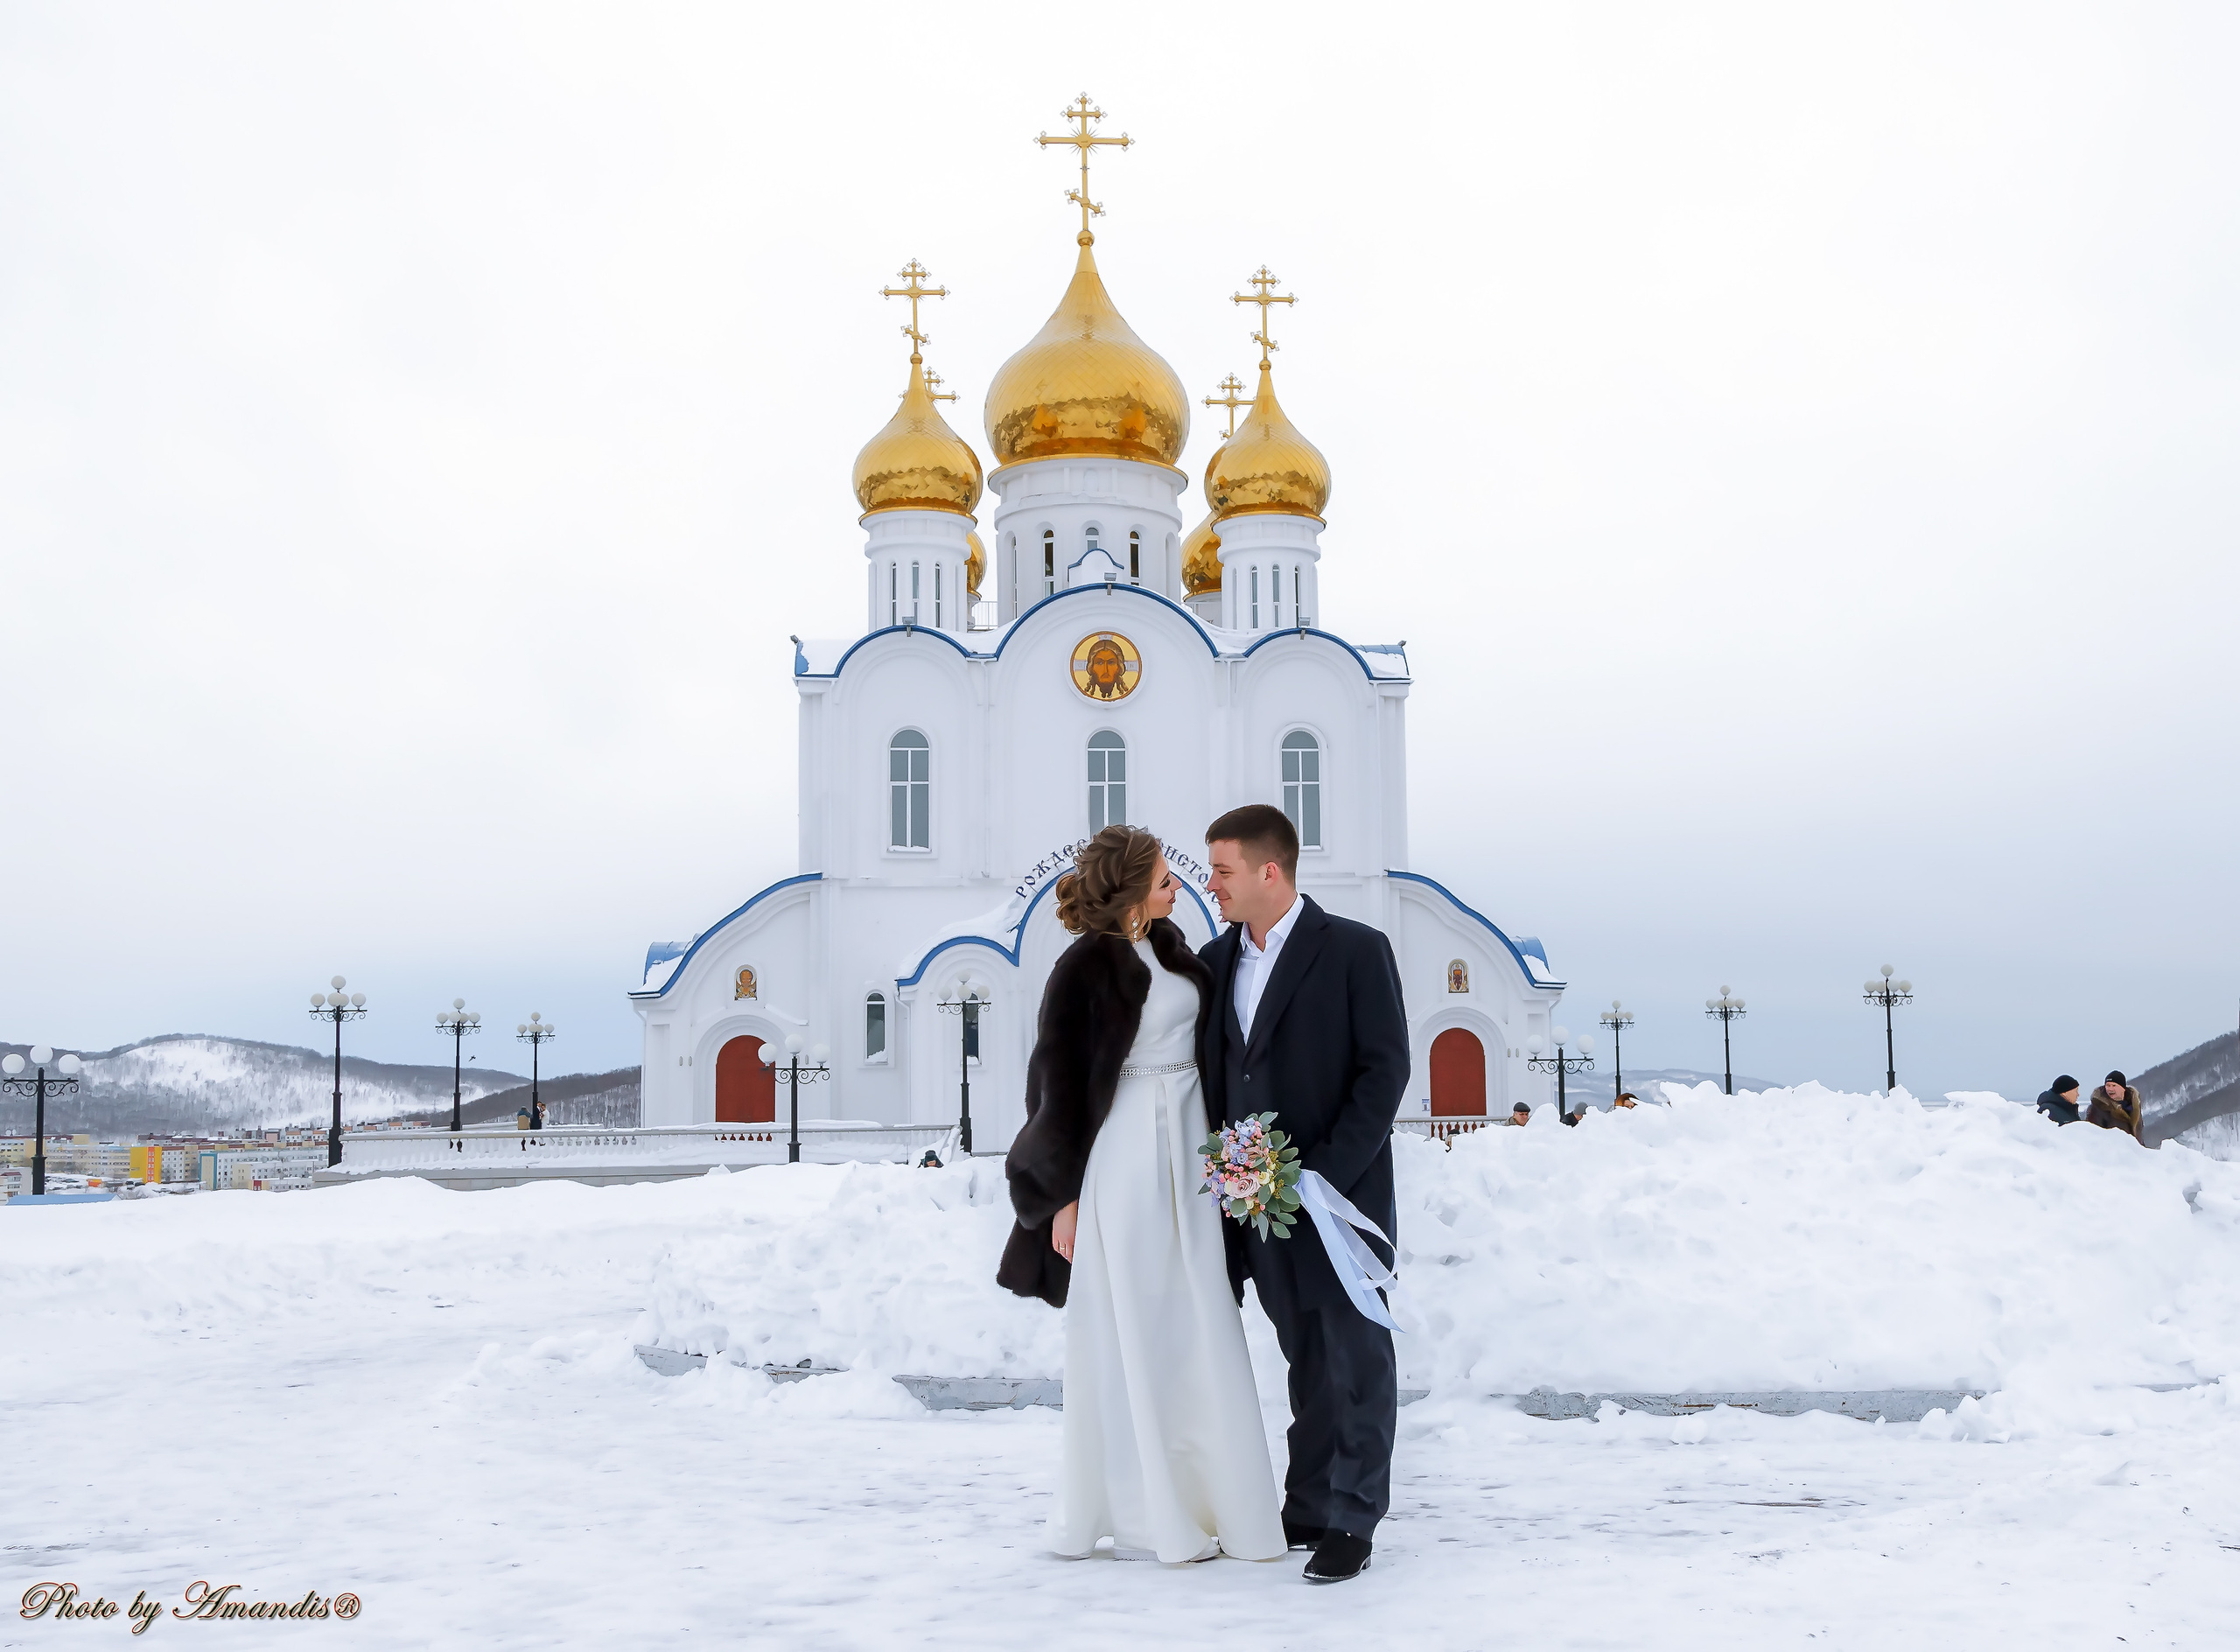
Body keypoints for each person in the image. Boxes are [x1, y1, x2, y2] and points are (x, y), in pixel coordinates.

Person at [997, 825, 1284, 1567]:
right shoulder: (1086, 966)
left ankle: (1223, 1500)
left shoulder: (1175, 948)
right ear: (1127, 886)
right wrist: (1060, 1196)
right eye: (1162, 878)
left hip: (1190, 1144)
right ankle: (1146, 1511)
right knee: (1137, 1324)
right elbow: (1055, 1086)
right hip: (1123, 1153)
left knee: (1201, 1316)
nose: (1178, 886)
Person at [1198, 803, 1410, 1586]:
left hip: (1337, 1197)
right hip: (1253, 1202)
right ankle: (1311, 1499)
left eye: (1222, 871)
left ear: (1269, 871)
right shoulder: (1216, 963)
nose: (1211, 885)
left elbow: (1384, 1071)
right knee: (1301, 1355)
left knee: (1354, 1355)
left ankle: (1355, 1517)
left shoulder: (1354, 950)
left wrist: (1321, 1173)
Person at [2085, 1071, 2145, 1142]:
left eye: (2114, 1086)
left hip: (2134, 1151)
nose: (2110, 1089)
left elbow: (2139, 1132)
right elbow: (2093, 1135)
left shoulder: (2134, 1105)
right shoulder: (2098, 1107)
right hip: (2113, 1151)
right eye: (2108, 1085)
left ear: (2123, 1088)